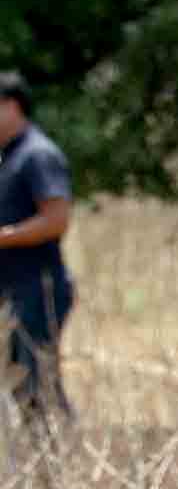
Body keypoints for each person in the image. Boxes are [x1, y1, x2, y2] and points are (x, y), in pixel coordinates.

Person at [0, 72, 74, 425]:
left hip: (37, 288)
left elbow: (55, 220)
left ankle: (56, 464)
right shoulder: (9, 156)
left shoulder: (38, 155)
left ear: (11, 106)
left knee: (35, 386)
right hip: (12, 289)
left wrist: (3, 236)